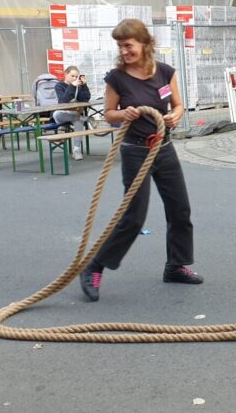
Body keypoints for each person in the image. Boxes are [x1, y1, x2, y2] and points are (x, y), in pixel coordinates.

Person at [79, 18, 201, 302]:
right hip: (135, 150)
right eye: (120, 46)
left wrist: (176, 115)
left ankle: (176, 267)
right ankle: (94, 267)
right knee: (134, 217)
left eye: (128, 45)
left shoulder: (166, 72)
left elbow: (179, 104)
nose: (124, 51)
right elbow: (108, 113)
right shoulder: (117, 78)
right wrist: (125, 113)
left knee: (180, 210)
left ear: (145, 44)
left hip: (164, 148)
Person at [53, 66, 91, 161]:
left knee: (78, 120)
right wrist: (72, 86)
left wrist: (84, 85)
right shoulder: (59, 86)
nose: (74, 78)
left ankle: (76, 150)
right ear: (66, 74)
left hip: (74, 114)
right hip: (61, 113)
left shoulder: (79, 85)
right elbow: (63, 101)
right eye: (72, 76)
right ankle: (87, 118)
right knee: (77, 117)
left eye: (76, 76)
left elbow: (85, 99)